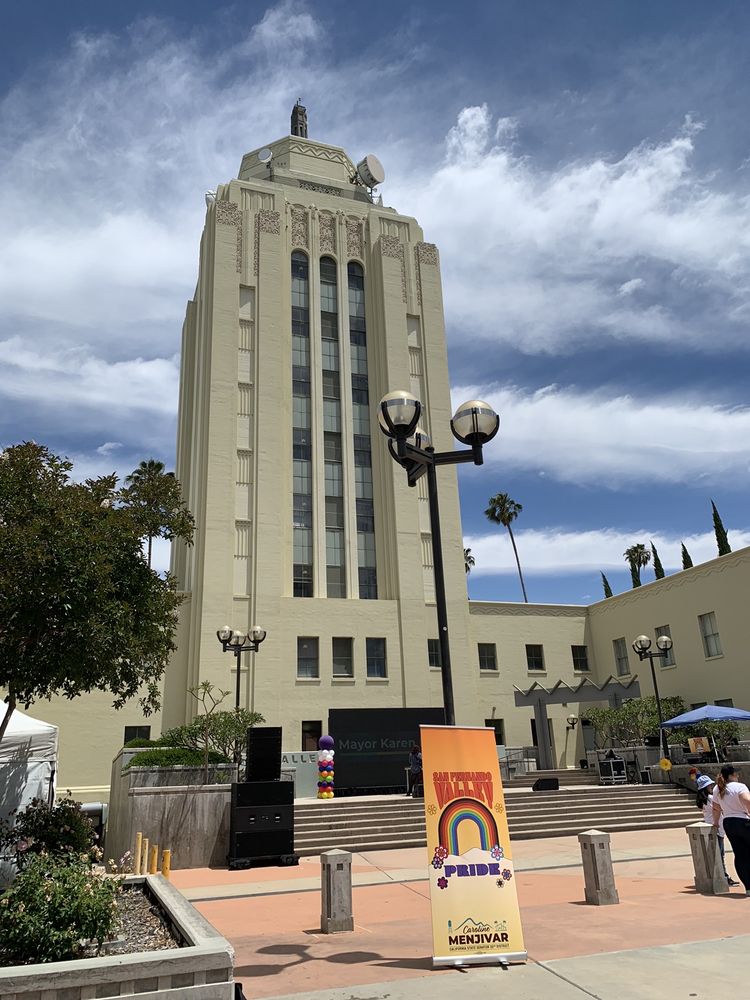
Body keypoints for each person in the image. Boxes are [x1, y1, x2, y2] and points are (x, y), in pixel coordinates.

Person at [712, 765, 750, 894]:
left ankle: (748, 886)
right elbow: (748, 801)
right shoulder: (739, 787)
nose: (738, 776)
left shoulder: (717, 788)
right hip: (743, 821)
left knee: (740, 855)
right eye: (736, 774)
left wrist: (715, 823)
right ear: (731, 775)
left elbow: (716, 808)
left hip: (728, 822)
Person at [695, 773, 739, 886]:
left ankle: (722, 876)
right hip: (716, 828)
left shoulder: (703, 800)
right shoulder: (710, 799)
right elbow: (719, 808)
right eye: (709, 785)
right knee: (720, 854)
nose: (711, 787)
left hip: (711, 827)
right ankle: (724, 876)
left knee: (717, 853)